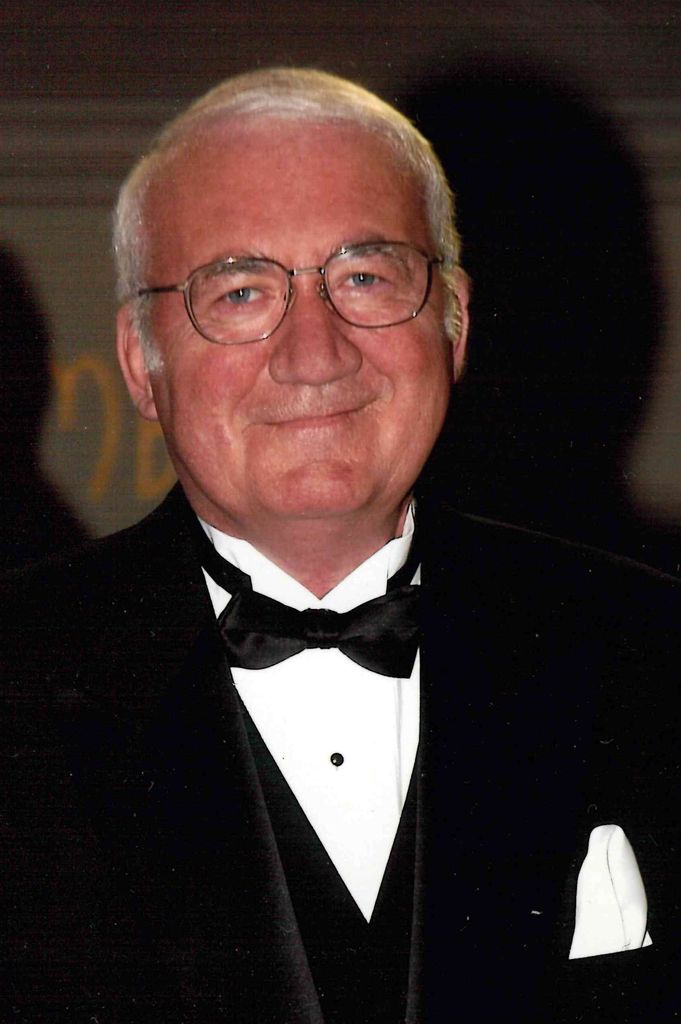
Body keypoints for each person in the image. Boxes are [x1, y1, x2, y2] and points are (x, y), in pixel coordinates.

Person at [1, 67, 680, 1024]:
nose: (314, 355)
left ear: (453, 325)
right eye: (240, 292)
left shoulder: (652, 654)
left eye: (364, 278)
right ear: (141, 364)